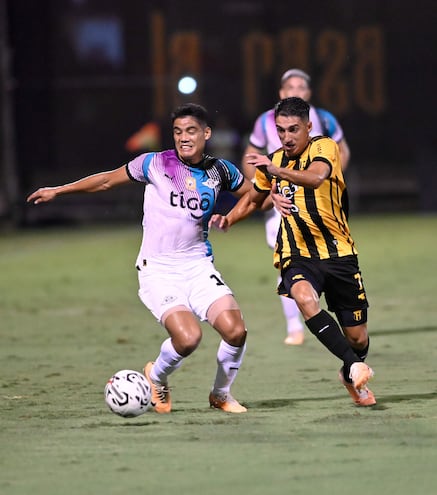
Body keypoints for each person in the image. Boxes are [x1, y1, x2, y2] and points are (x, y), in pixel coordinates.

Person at [27, 103, 259, 414]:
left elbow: (256, 194)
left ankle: (220, 394)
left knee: (235, 330)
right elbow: (108, 179)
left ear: (206, 133)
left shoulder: (221, 170)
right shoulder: (154, 163)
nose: (183, 138)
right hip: (158, 269)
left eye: (191, 131)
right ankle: (157, 377)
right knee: (189, 338)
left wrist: (240, 213)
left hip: (198, 265)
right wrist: (60, 190)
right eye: (177, 132)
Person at [210, 97, 375, 406]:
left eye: (293, 129)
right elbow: (255, 199)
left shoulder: (324, 147)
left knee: (358, 337)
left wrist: (275, 171)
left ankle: (349, 366)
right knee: (303, 297)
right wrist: (230, 218)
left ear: (308, 127)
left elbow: (315, 178)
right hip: (297, 252)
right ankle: (354, 366)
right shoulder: (273, 161)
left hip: (339, 252)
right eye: (281, 130)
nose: (286, 137)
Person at [242, 68, 351, 346]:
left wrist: (331, 179)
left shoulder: (323, 119)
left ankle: (328, 313)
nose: (295, 91)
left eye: (301, 87)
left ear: (308, 93)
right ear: (281, 92)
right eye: (289, 87)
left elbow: (342, 151)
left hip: (318, 200)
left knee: (328, 254)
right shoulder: (265, 121)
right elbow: (251, 157)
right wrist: (263, 186)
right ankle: (295, 325)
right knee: (288, 260)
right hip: (282, 200)